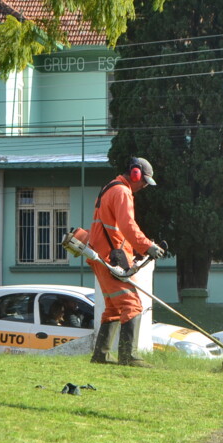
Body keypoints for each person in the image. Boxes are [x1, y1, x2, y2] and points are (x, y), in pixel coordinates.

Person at [87, 157, 165, 368]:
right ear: (135, 174)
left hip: (101, 256)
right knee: (132, 305)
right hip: (109, 258)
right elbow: (127, 225)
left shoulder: (109, 188)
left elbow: (117, 229)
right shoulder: (122, 191)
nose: (144, 186)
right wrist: (147, 246)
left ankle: (101, 355)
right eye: (144, 181)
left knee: (113, 307)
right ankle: (128, 356)